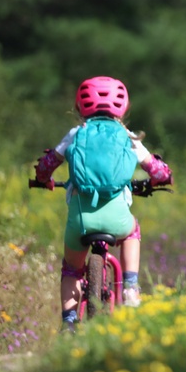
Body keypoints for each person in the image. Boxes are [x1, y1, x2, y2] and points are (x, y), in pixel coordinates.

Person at [34, 76, 172, 330]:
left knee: (72, 271)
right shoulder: (128, 137)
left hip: (80, 220)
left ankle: (69, 325)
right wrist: (159, 180)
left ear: (79, 107)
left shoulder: (76, 134)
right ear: (124, 108)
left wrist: (44, 180)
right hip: (117, 218)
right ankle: (130, 286)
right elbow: (159, 172)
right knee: (133, 231)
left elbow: (46, 166)